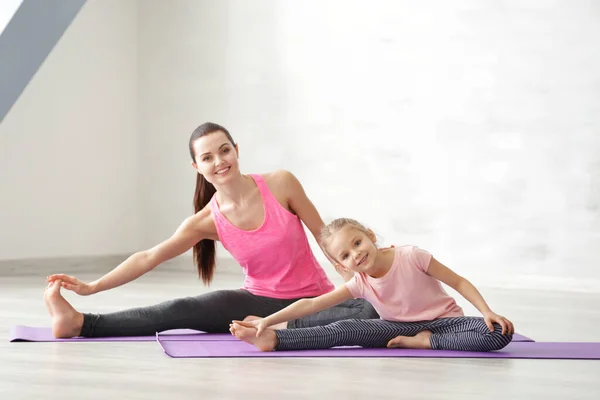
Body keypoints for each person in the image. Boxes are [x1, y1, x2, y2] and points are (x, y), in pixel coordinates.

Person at [44, 122, 378, 338]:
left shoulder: (281, 184)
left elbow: (327, 239)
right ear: (197, 167)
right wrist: (92, 287)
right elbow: (149, 257)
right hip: (254, 302)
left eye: (224, 150)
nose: (219, 161)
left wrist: (361, 283)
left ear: (236, 151)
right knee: (183, 308)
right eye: (207, 157)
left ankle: (279, 326)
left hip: (312, 300)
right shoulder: (206, 221)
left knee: (369, 309)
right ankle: (81, 323)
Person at [230, 217, 515, 352]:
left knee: (499, 333)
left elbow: (458, 281)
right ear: (342, 265)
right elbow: (311, 305)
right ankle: (275, 340)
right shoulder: (360, 282)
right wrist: (266, 322)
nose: (357, 254)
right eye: (346, 255)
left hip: (446, 323)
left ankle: (427, 343)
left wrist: (487, 311)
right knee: (342, 329)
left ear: (369, 235)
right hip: (395, 328)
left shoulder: (411, 255)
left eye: (357, 243)